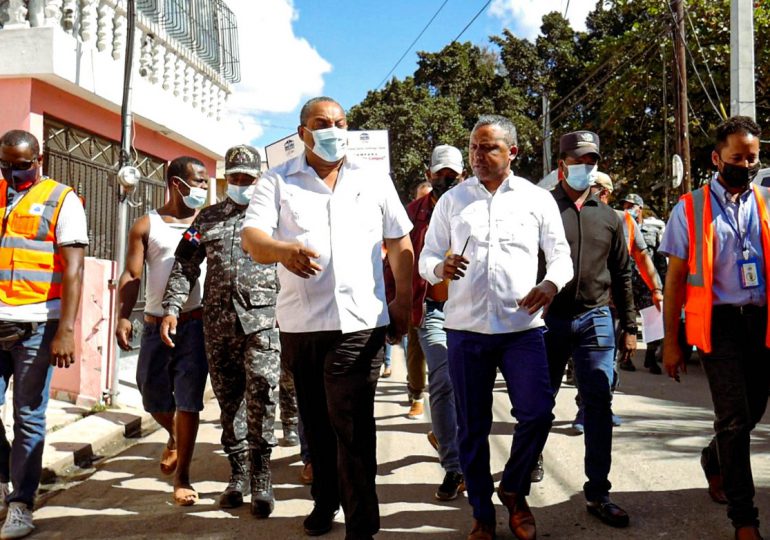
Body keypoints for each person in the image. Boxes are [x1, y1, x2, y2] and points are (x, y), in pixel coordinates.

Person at [241, 96, 414, 540]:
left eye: (340, 122)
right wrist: (284, 251)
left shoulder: (374, 179)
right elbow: (253, 240)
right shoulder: (276, 182)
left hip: (360, 323)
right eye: (322, 123)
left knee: (352, 424)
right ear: (302, 132)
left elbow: (400, 244)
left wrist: (403, 303)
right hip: (302, 324)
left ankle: (362, 524)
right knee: (315, 424)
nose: (333, 130)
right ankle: (325, 501)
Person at [420, 115, 573, 540]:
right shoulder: (453, 201)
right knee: (472, 425)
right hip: (466, 330)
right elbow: (425, 258)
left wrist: (550, 283)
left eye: (488, 148)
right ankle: (482, 512)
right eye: (474, 147)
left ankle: (515, 490)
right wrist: (440, 266)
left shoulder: (535, 199)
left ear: (512, 153)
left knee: (538, 412)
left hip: (521, 328)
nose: (478, 156)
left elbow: (560, 256)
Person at [661, 116, 769, 540]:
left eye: (753, 157)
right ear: (717, 158)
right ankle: (745, 519)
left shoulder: (766, 203)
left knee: (753, 410)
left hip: (762, 322)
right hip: (718, 326)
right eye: (738, 157)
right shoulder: (689, 208)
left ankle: (713, 459)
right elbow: (674, 280)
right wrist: (671, 342)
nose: (746, 164)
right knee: (734, 419)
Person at [159, 145, 281, 518]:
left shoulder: (273, 216)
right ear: (227, 179)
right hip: (219, 324)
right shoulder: (207, 219)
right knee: (230, 399)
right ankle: (238, 473)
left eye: (249, 178)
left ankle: (261, 476)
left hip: (262, 320)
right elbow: (184, 266)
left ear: (258, 179)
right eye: (237, 179)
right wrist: (172, 308)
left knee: (262, 389)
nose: (242, 184)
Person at [541, 131, 635, 528]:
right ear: (562, 164)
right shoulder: (542, 209)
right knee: (536, 403)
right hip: (547, 319)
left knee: (598, 402)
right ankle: (529, 466)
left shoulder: (609, 216)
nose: (585, 168)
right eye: (578, 160)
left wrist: (630, 325)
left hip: (596, 317)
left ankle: (598, 492)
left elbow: (624, 273)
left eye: (591, 160)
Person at [0, 130, 87, 539]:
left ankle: (21, 504)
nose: (13, 172)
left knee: (27, 417)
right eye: (6, 164)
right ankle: (4, 477)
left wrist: (66, 331)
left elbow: (74, 270)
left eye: (21, 165)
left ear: (39, 158)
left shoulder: (62, 199)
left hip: (36, 324)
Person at [116, 156, 209, 507]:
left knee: (188, 401)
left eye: (204, 183)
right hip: (155, 326)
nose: (202, 188)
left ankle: (183, 476)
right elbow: (131, 274)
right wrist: (123, 316)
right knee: (151, 395)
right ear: (176, 184)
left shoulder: (207, 223)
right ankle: (173, 434)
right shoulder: (146, 225)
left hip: (194, 325)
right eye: (198, 182)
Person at [392, 143, 466, 501]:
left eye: (453, 176)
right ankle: (454, 466)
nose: (447, 181)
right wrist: (395, 306)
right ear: (429, 176)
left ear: (463, 176)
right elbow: (397, 260)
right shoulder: (411, 214)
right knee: (444, 379)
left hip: (472, 314)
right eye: (441, 176)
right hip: (431, 311)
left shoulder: (476, 207)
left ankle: (445, 434)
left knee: (470, 387)